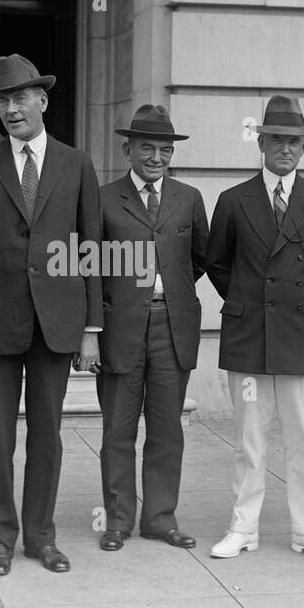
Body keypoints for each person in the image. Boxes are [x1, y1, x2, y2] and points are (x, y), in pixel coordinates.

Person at [0, 54, 102, 576]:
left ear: (42, 100)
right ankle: (1, 538)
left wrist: (91, 329)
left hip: (57, 321)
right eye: (4, 101)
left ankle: (41, 536)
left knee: (47, 435)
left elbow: (90, 250)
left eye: (21, 99)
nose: (12, 109)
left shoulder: (75, 163)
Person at [204, 94, 304, 563]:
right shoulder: (233, 200)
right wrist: (251, 303)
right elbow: (218, 264)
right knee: (249, 442)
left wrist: (302, 305)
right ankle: (242, 528)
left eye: (294, 141)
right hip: (250, 337)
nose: (285, 149)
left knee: (303, 442)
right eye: (276, 140)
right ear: (260, 142)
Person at [95, 104, 208, 551]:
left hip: (171, 326)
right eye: (147, 148)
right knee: (118, 430)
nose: (157, 157)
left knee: (166, 430)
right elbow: (90, 266)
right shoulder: (104, 199)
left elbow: (199, 259)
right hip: (119, 327)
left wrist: (164, 294)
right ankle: (118, 520)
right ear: (128, 149)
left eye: (164, 149)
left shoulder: (188, 198)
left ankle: (160, 518)